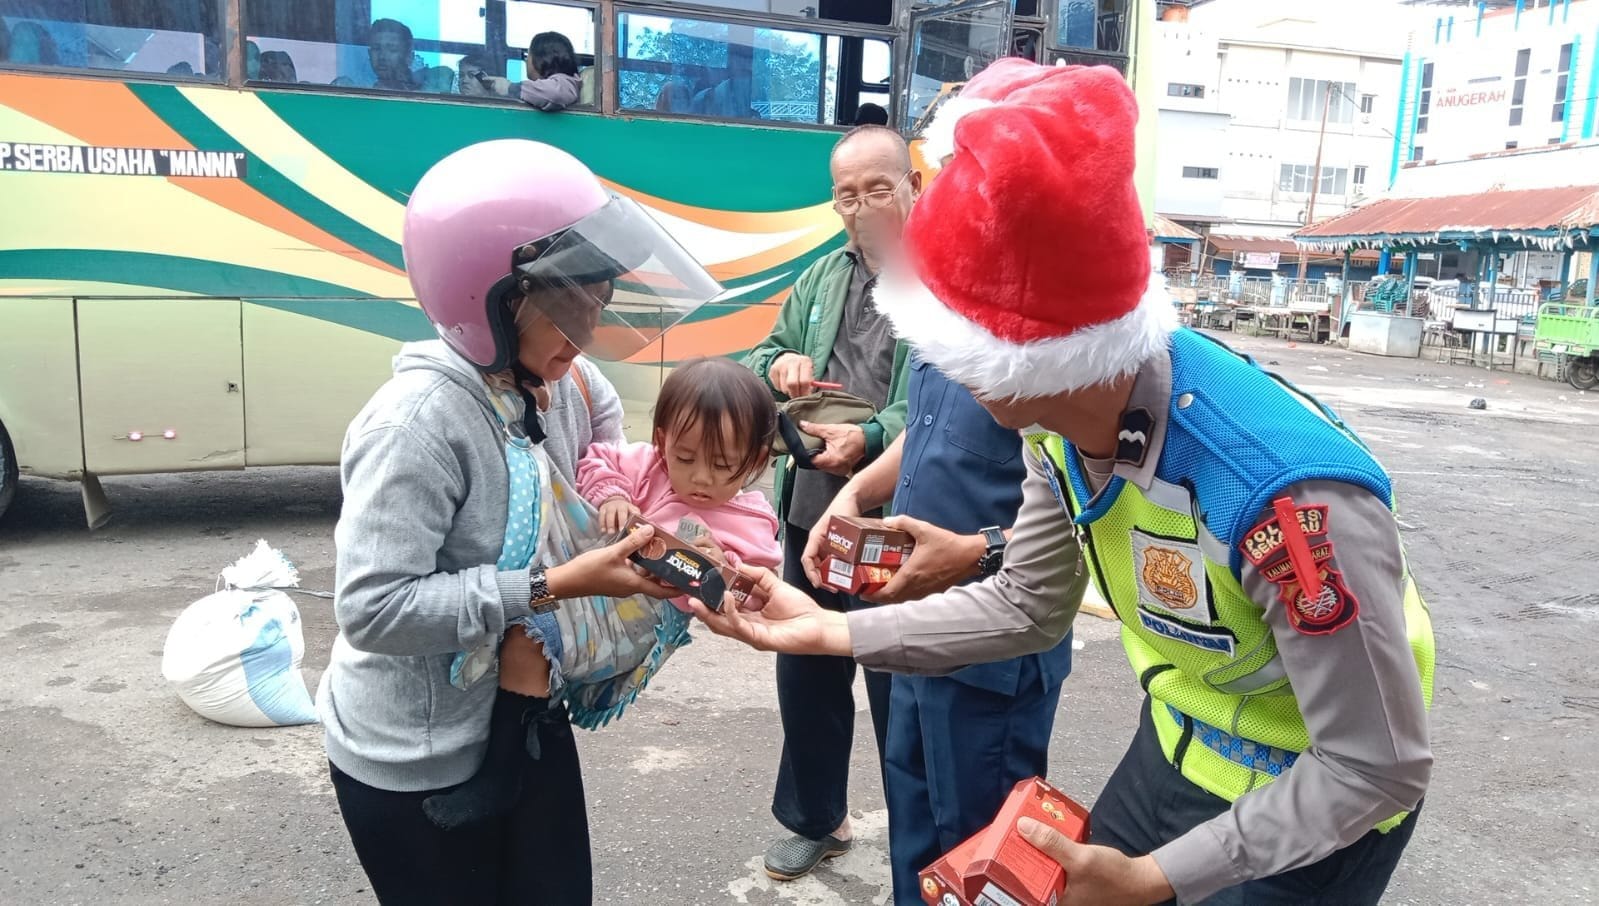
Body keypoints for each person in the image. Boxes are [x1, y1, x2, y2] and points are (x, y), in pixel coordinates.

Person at [696, 59, 1434, 906]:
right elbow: (1026, 605)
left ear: (1011, 363)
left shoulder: (1284, 499)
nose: (933, 371)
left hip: (1318, 804)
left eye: (941, 344)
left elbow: (1375, 765)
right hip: (1181, 740)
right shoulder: (1058, 427)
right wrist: (826, 631)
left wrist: (1156, 878)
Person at [318, 138, 725, 905]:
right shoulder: (415, 426)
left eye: (599, 298)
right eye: (572, 303)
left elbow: (605, 435)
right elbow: (372, 611)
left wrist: (637, 511)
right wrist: (552, 584)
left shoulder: (565, 382)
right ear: (493, 304)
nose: (591, 327)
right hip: (416, 761)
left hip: (526, 717)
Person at [419, 356, 784, 830]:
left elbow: (755, 594)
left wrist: (720, 568)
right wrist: (613, 494)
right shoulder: (647, 465)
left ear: (756, 460)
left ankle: (499, 778)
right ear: (662, 440)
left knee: (530, 636)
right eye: (685, 457)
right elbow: (598, 458)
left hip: (641, 623)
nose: (701, 478)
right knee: (524, 630)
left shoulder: (750, 519)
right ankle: (522, 758)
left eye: (723, 466)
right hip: (596, 591)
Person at [801, 343, 1073, 903]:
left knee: (981, 862)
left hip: (995, 651)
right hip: (914, 631)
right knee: (915, 839)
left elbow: (1081, 511)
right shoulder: (937, 321)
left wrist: (978, 551)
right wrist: (854, 493)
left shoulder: (1045, 342)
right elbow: (925, 426)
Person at [741, 124, 913, 882]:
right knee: (806, 673)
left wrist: (870, 437)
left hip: (895, 522)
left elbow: (945, 404)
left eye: (878, 188)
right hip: (810, 509)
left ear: (913, 186)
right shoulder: (820, 276)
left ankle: (919, 832)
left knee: (899, 683)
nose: (862, 207)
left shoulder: (942, 282)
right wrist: (781, 363)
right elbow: (759, 354)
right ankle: (816, 820)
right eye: (847, 195)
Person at [518, 31, 582, 111]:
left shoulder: (565, 83)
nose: (526, 61)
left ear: (541, 60)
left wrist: (511, 88)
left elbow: (555, 94)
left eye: (527, 56)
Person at [368, 18, 416, 91]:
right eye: (376, 48)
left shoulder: (425, 92)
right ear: (369, 54)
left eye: (392, 50)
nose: (382, 56)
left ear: (409, 57)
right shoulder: (359, 89)